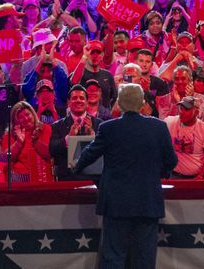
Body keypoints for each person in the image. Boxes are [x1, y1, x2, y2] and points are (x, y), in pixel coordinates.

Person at [74, 84, 178, 269]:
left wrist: (75, 168)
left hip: (116, 203)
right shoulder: (159, 127)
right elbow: (171, 161)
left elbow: (89, 155)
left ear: (119, 104)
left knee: (113, 256)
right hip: (147, 201)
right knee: (144, 259)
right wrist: (156, 173)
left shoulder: (108, 128)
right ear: (143, 103)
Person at [49, 85, 101, 180]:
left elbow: (104, 151)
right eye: (74, 98)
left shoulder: (99, 124)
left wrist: (92, 137)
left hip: (93, 180)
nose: (78, 100)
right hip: (67, 180)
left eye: (82, 98)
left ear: (87, 102)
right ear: (68, 102)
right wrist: (69, 137)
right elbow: (52, 150)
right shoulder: (57, 126)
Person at [165, 96, 204, 178]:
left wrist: (200, 176)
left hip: (196, 176)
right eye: (181, 108)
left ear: (196, 112)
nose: (182, 112)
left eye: (186, 109)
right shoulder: (169, 122)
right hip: (174, 174)